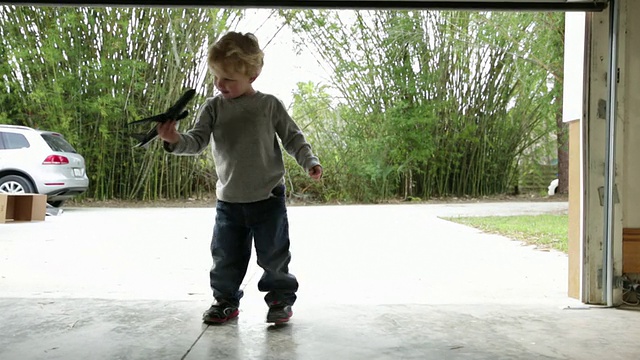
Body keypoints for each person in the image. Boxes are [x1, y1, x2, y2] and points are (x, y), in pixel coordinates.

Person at [157, 31, 322, 325]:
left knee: (274, 256)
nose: (220, 85)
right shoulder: (213, 107)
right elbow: (196, 141)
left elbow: (293, 138)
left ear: (253, 76)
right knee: (225, 258)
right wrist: (174, 139)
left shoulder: (269, 105)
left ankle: (280, 300)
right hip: (229, 200)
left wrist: (309, 160)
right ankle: (225, 301)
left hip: (268, 197)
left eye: (228, 79)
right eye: (217, 77)